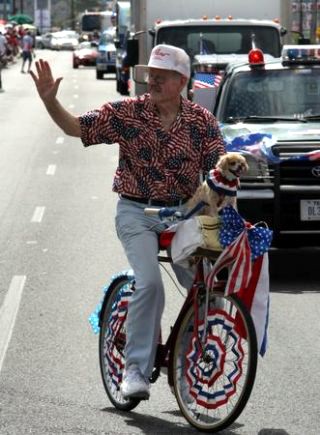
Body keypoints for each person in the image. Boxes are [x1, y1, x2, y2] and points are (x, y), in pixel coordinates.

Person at [30, 44, 225, 400]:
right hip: (136, 212)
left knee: (208, 290)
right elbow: (77, 127)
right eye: (149, 75)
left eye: (161, 77)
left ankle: (184, 361)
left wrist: (225, 189)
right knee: (150, 285)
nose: (152, 81)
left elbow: (218, 169)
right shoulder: (128, 113)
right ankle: (134, 369)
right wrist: (49, 101)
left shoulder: (201, 121)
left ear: (181, 81)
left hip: (182, 214)